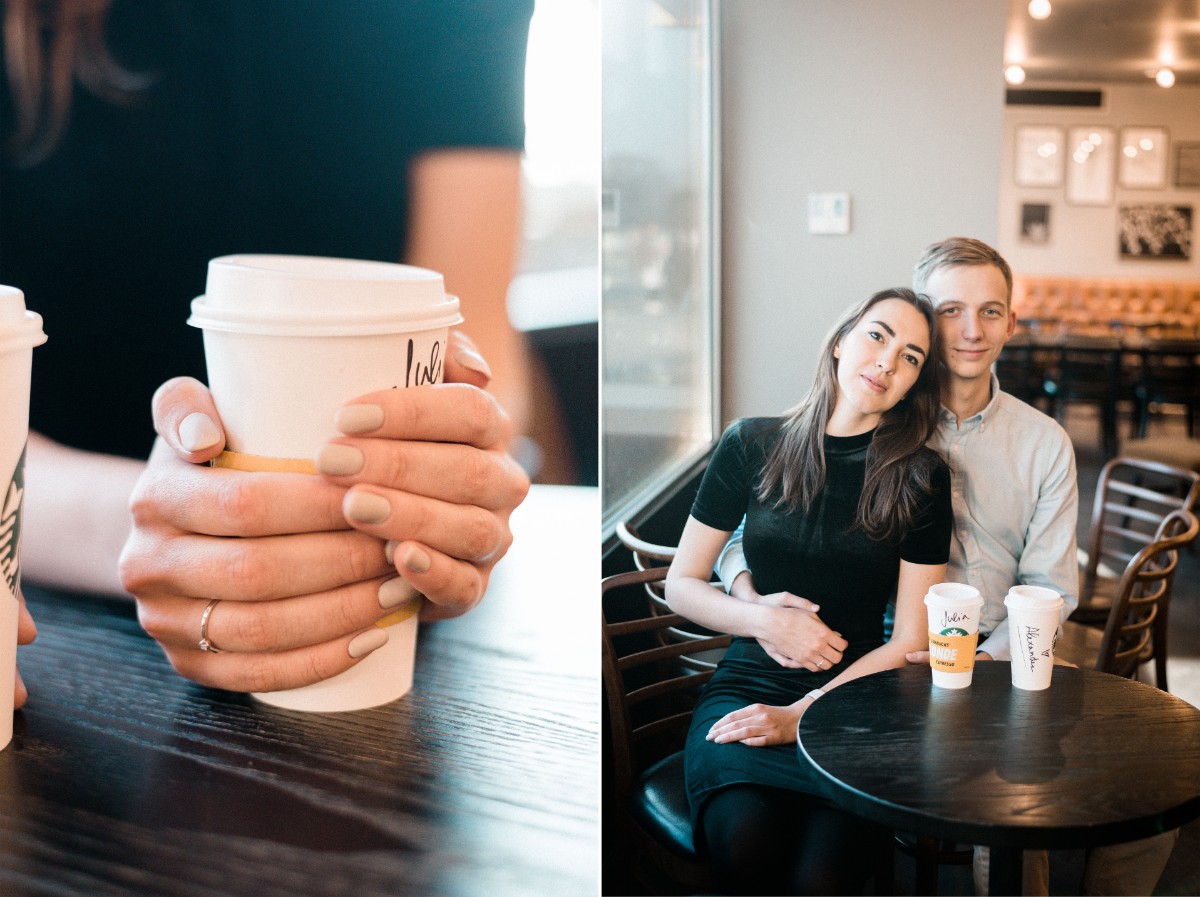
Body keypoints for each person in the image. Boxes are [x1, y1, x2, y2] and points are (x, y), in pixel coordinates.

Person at [2, 1, 535, 701]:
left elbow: (476, 327)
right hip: (50, 621)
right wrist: (144, 524)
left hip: (383, 622)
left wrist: (448, 489)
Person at [718, 237, 1177, 895]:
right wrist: (753, 599)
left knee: (1153, 770)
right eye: (949, 311)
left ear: (1011, 324)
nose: (971, 330)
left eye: (991, 311)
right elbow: (758, 530)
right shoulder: (873, 414)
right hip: (885, 663)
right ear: (921, 324)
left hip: (1006, 652)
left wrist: (984, 661)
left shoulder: (1043, 441)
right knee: (1015, 791)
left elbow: (1050, 586)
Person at [665, 287, 953, 895]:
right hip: (747, 682)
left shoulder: (922, 476)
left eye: (910, 358)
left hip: (854, 702)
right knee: (747, 847)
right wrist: (764, 621)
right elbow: (682, 584)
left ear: (913, 385)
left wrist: (803, 713)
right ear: (840, 342)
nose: (887, 361)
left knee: (820, 882)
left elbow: (909, 639)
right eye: (877, 336)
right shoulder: (750, 443)